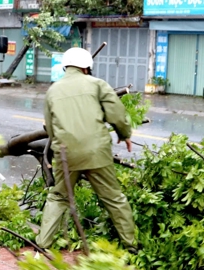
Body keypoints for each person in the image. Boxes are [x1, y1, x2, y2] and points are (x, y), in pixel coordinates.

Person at [37, 47, 137, 251]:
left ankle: (43, 243)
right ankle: (131, 245)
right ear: (86, 67)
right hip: (97, 152)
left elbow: (50, 127)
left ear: (66, 66)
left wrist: (61, 147)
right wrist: (124, 134)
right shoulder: (97, 84)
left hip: (66, 155)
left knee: (59, 197)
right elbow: (117, 114)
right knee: (113, 197)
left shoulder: (53, 90)